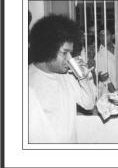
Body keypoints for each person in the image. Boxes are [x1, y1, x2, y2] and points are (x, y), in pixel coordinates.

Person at [29, 14, 96, 143]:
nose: (69, 59)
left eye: (71, 52)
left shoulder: (66, 75)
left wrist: (83, 78)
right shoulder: (27, 83)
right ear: (48, 48)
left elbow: (89, 105)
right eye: (64, 52)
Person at [96, 27, 116, 95]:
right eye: (101, 35)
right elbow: (107, 81)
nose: (103, 37)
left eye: (106, 35)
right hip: (110, 93)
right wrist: (117, 95)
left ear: (113, 36)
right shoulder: (99, 55)